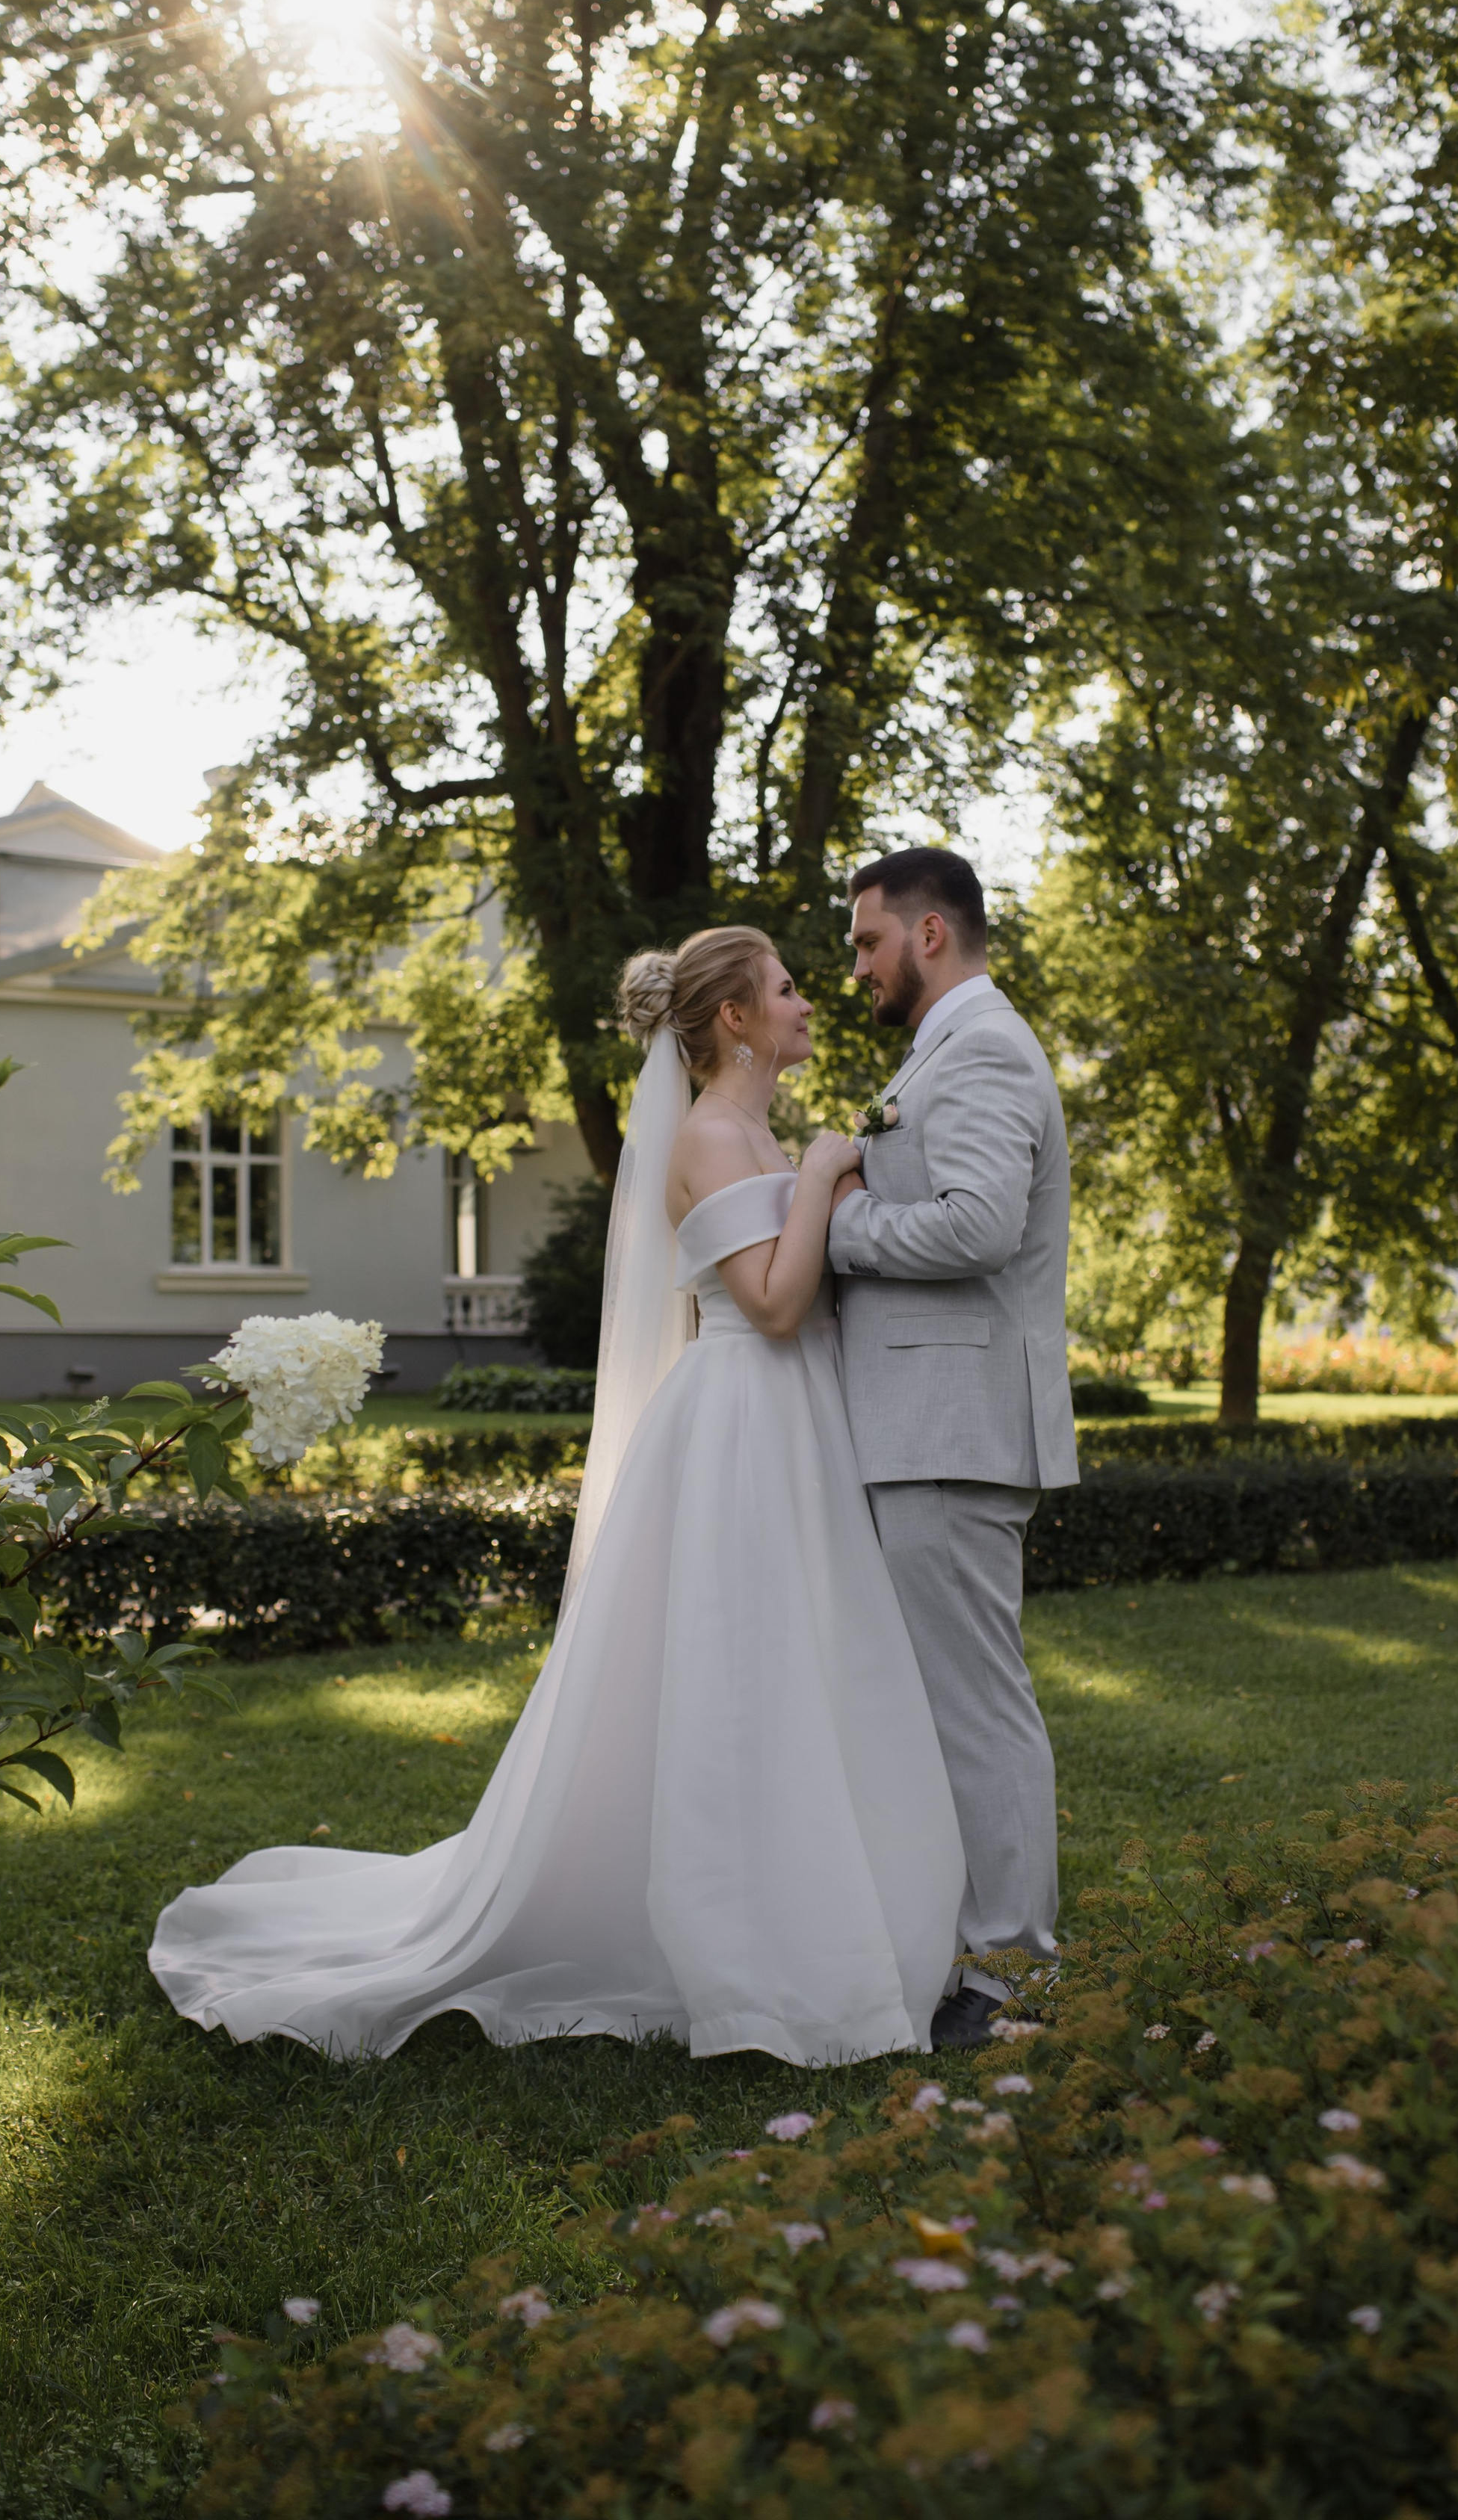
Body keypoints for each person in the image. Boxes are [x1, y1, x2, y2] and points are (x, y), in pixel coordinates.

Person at [148, 926, 966, 2065]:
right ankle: (741, 1941)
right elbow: (774, 1307)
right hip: (744, 1418)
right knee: (739, 1670)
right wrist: (827, 1174)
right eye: (786, 990)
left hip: (790, 1421)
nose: (807, 1004)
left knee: (799, 1663)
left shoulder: (756, 1129)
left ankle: (811, 1894)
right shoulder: (715, 1136)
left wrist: (826, 1172)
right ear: (734, 1018)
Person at [829, 846, 1076, 2050]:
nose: (857, 968)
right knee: (945, 1703)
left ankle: (1014, 1968)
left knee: (976, 1705)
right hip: (927, 1423)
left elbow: (979, 1224)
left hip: (954, 1424)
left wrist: (838, 1228)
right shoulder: (947, 1049)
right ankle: (966, 1944)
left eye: (868, 943)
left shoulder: (980, 1046)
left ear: (931, 934)